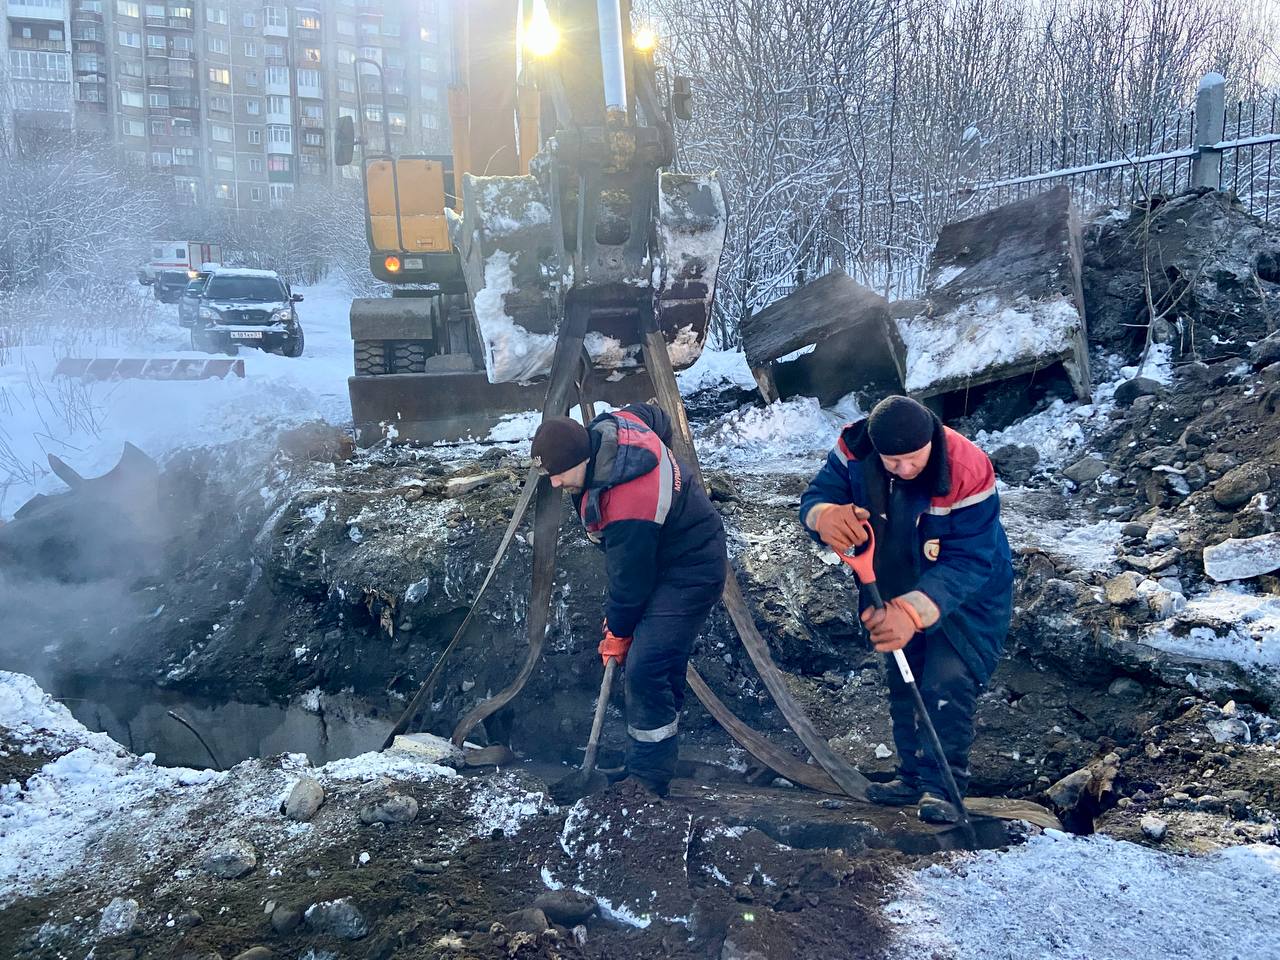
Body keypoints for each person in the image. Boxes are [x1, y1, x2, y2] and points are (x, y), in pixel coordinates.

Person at [798, 395, 1013, 823]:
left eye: (912, 460)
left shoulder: (968, 468)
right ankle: (911, 778)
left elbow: (970, 560)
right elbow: (818, 496)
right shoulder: (855, 450)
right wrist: (823, 516)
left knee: (946, 679)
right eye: (892, 462)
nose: (904, 470)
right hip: (893, 580)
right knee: (903, 674)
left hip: (967, 594)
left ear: (930, 441)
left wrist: (913, 613)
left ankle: (943, 790)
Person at [530, 403, 726, 797]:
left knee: (645, 663)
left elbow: (630, 583)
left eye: (559, 475)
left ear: (582, 458)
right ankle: (644, 762)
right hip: (659, 555)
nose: (555, 485)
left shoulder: (629, 504)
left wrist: (618, 630)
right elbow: (659, 419)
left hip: (692, 567)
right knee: (654, 656)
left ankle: (649, 778)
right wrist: (671, 483)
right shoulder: (614, 426)